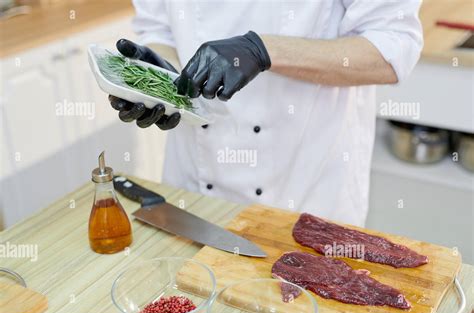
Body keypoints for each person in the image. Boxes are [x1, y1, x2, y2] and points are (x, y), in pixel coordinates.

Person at [109, 0, 423, 226]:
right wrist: (162, 82)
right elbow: (158, 29)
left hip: (308, 190)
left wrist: (263, 50)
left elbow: (391, 49)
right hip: (194, 191)